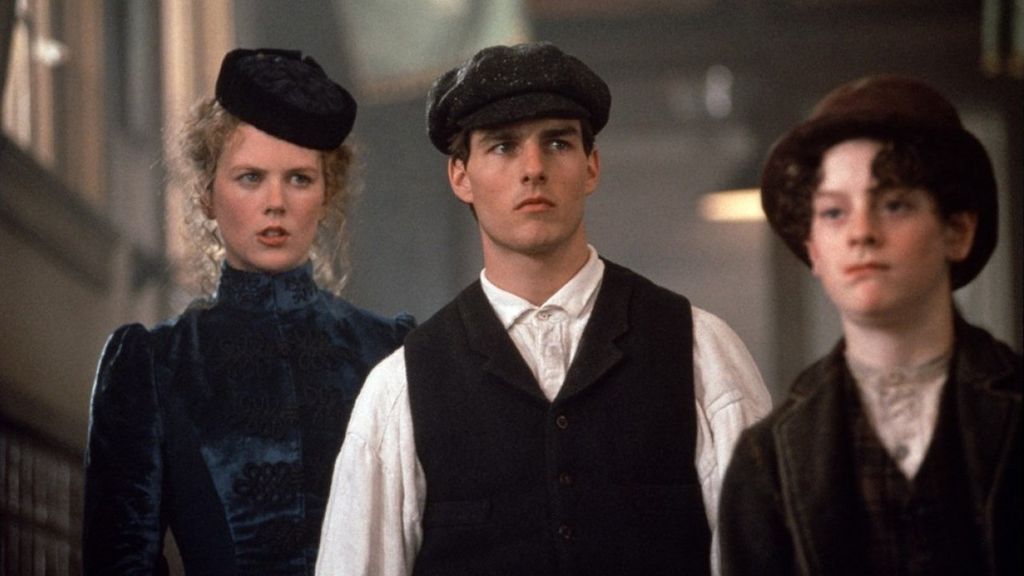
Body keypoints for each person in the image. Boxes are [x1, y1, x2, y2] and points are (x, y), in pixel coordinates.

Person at [316, 41, 771, 576]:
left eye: (557, 142)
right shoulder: (401, 389)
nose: (533, 168)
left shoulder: (700, 353)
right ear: (460, 175)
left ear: (591, 166)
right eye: (503, 146)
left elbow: (768, 557)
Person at [82, 48, 414, 575]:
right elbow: (119, 563)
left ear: (327, 193)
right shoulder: (155, 363)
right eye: (250, 178)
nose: (275, 202)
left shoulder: (390, 352)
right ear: (206, 194)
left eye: (299, 179)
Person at [719, 75, 1022, 575]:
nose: (861, 232)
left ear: (957, 230)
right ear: (814, 249)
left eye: (894, 204)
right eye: (834, 212)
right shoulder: (767, 457)